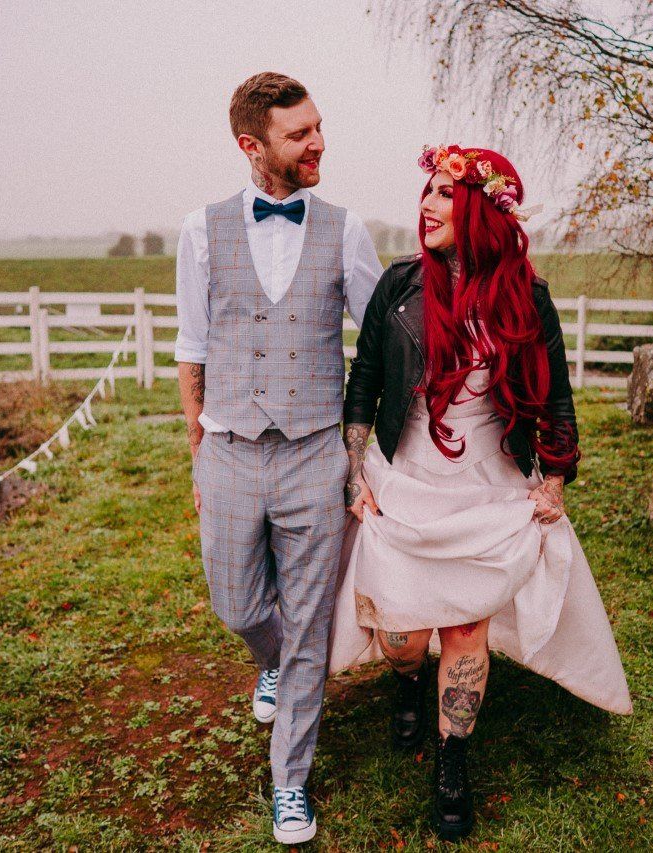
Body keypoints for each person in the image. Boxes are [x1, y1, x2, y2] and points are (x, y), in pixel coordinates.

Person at [328, 144, 633, 842]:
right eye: (427, 191)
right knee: (402, 634)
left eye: (444, 193)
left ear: (480, 210)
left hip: (488, 491)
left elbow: (556, 398)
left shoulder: (528, 297)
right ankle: (408, 681)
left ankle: (452, 760)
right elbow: (364, 382)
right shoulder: (399, 286)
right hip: (406, 483)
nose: (427, 204)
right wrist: (355, 471)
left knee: (467, 627)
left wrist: (554, 477)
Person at [174, 71, 382, 845]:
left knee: (308, 623)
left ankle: (289, 781)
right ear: (252, 145)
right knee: (237, 605)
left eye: (318, 126)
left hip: (314, 453)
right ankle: (273, 658)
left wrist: (362, 453)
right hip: (228, 449)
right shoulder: (200, 230)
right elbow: (192, 347)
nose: (319, 142)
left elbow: (382, 341)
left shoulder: (346, 231)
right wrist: (197, 451)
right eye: (300, 134)